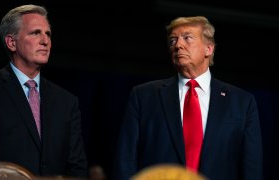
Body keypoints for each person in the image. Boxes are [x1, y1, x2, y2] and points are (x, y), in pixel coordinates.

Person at [112, 16, 263, 180]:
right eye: (172, 41)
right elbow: (125, 161)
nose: (178, 45)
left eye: (187, 38)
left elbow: (251, 168)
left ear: (209, 49)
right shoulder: (143, 96)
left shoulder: (242, 102)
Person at [0, 4, 87, 177]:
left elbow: (77, 166)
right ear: (12, 42)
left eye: (48, 33)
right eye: (35, 32)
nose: (45, 41)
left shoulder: (66, 101)